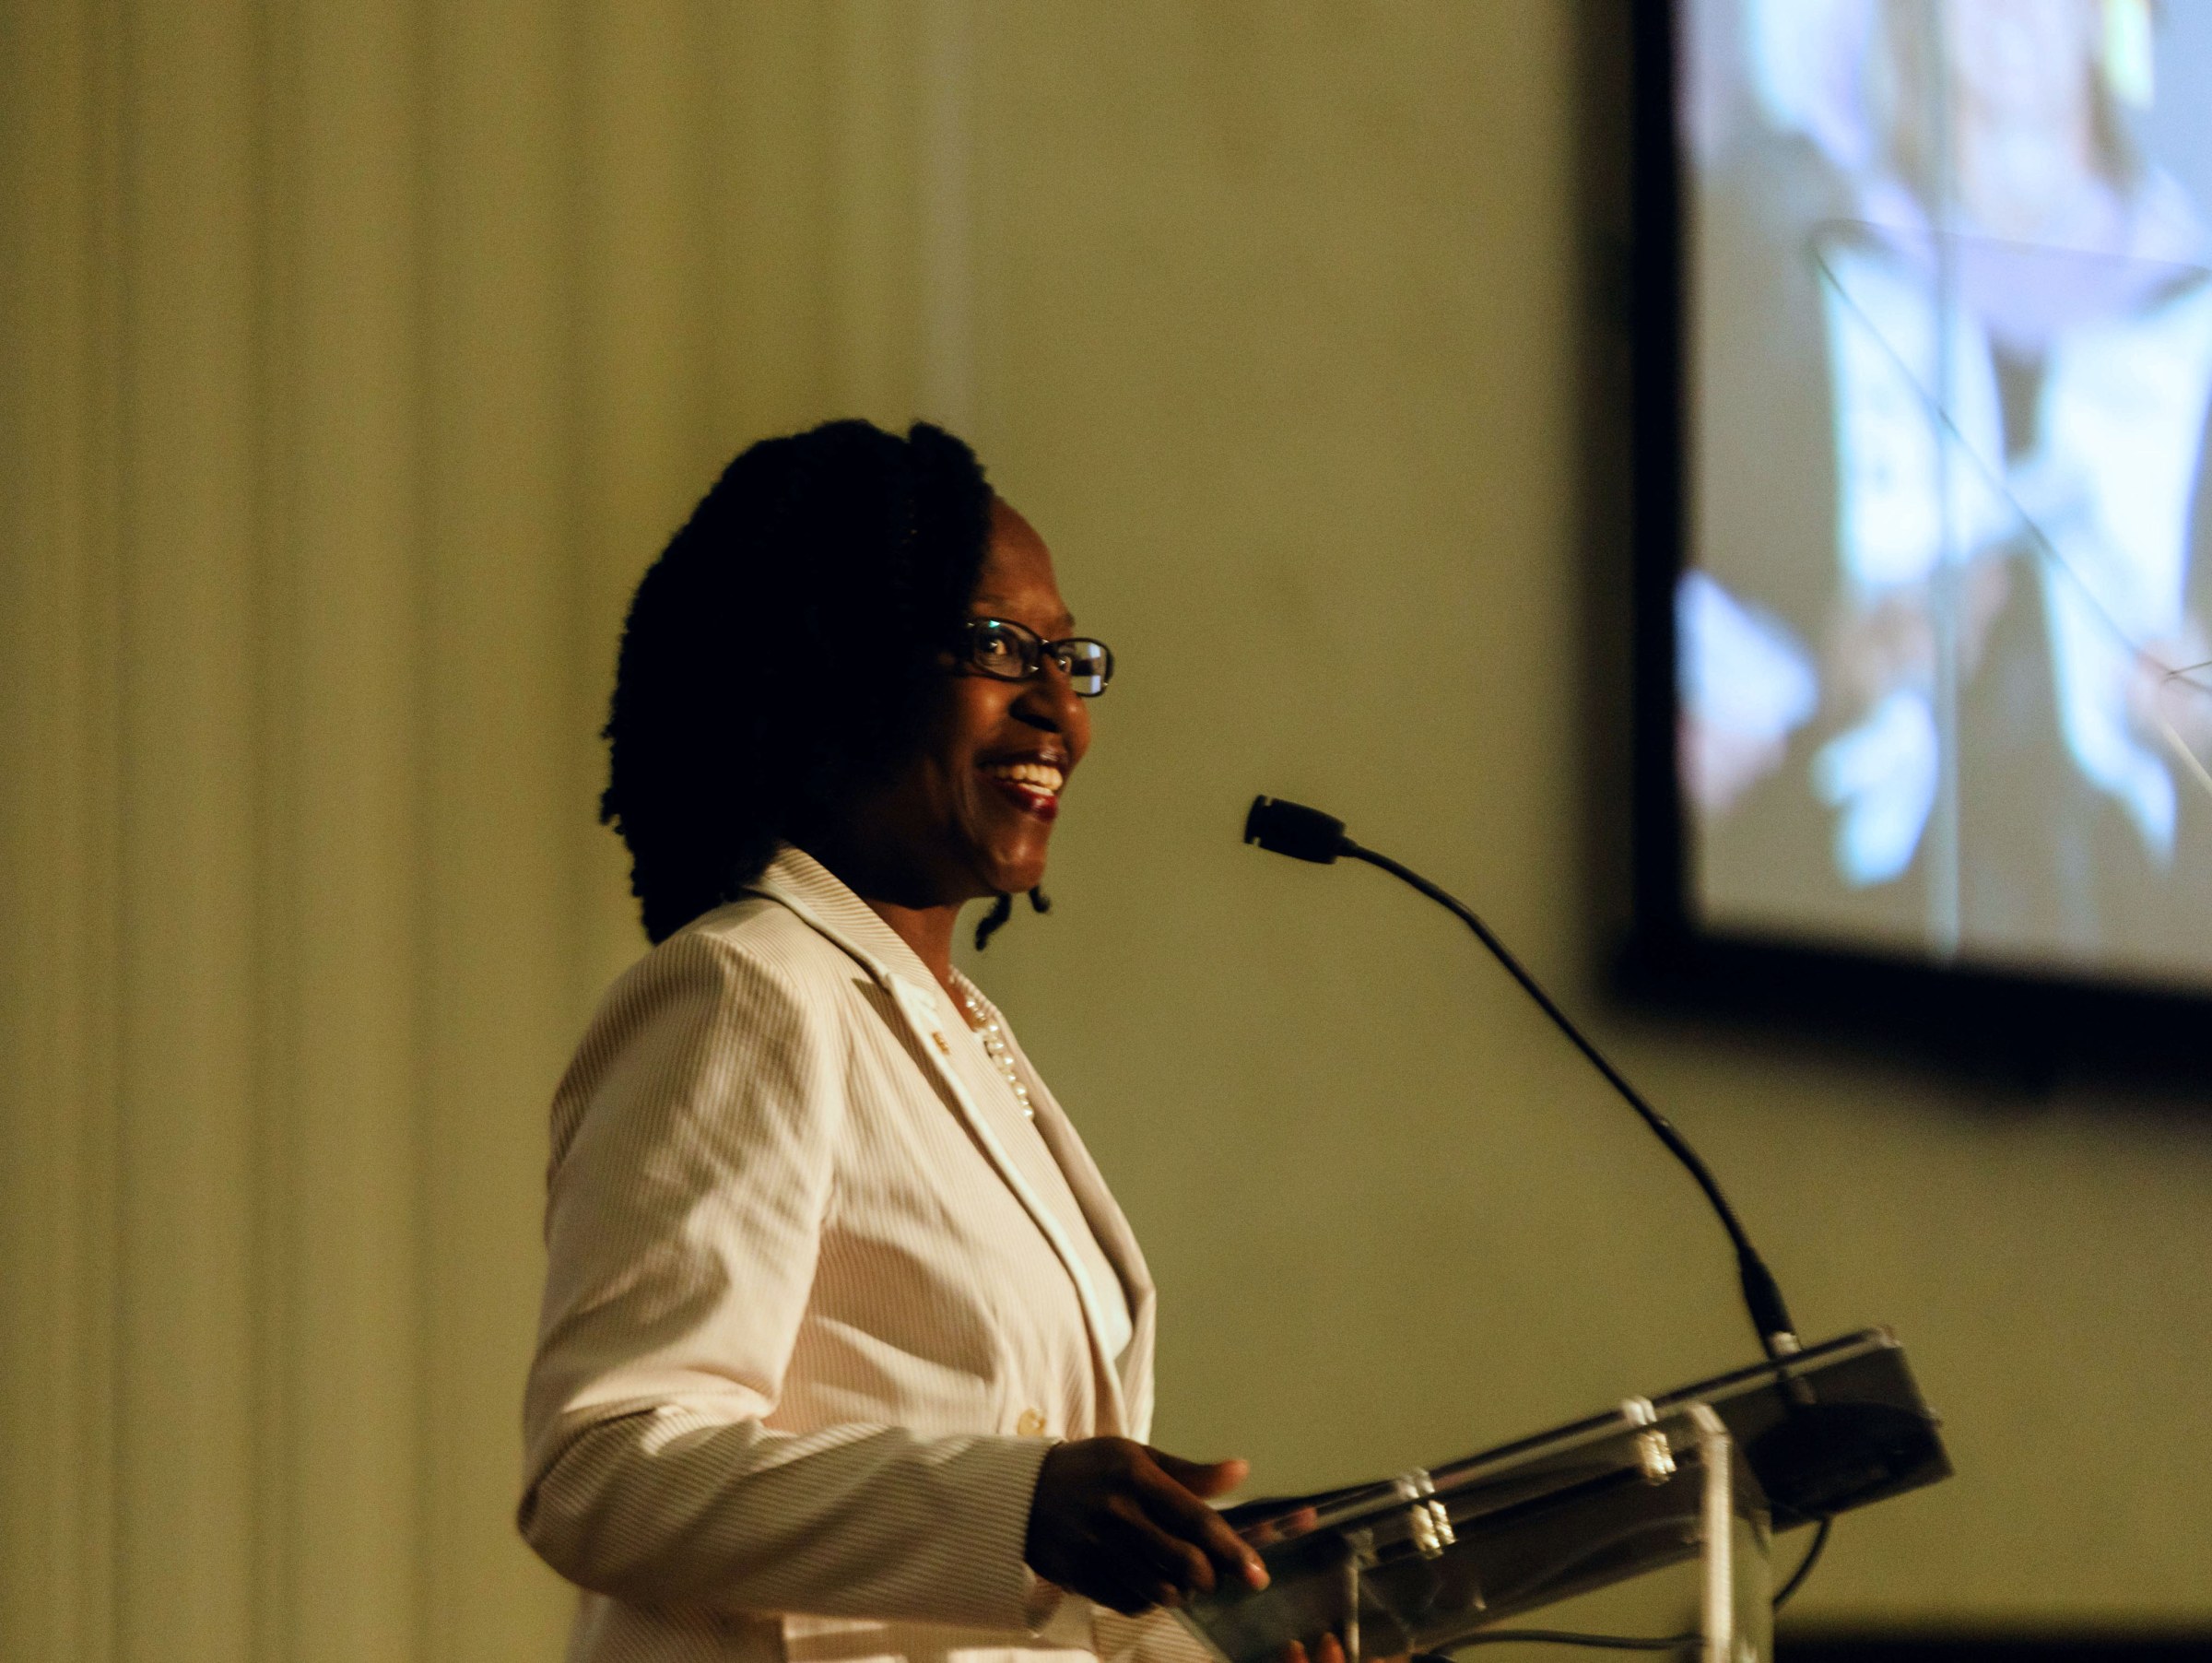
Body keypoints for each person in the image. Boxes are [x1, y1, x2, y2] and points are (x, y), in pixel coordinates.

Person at [517, 419, 1277, 1663]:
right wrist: (1018, 1505)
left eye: (1070, 660)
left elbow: (1031, 1608)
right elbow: (605, 1470)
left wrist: (1234, 1610)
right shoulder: (745, 991)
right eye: (996, 647)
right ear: (832, 663)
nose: (1056, 710)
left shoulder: (959, 1036)